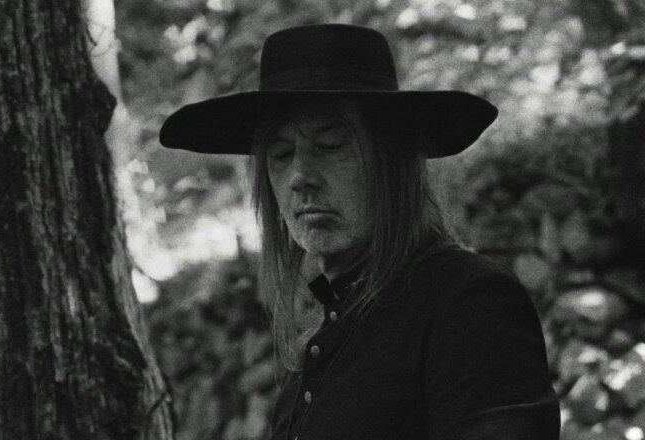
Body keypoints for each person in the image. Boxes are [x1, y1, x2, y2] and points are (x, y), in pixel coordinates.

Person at [159, 24, 560, 440]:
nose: (300, 176)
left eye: (330, 146)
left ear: (392, 160)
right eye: (281, 154)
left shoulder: (468, 303)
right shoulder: (330, 330)